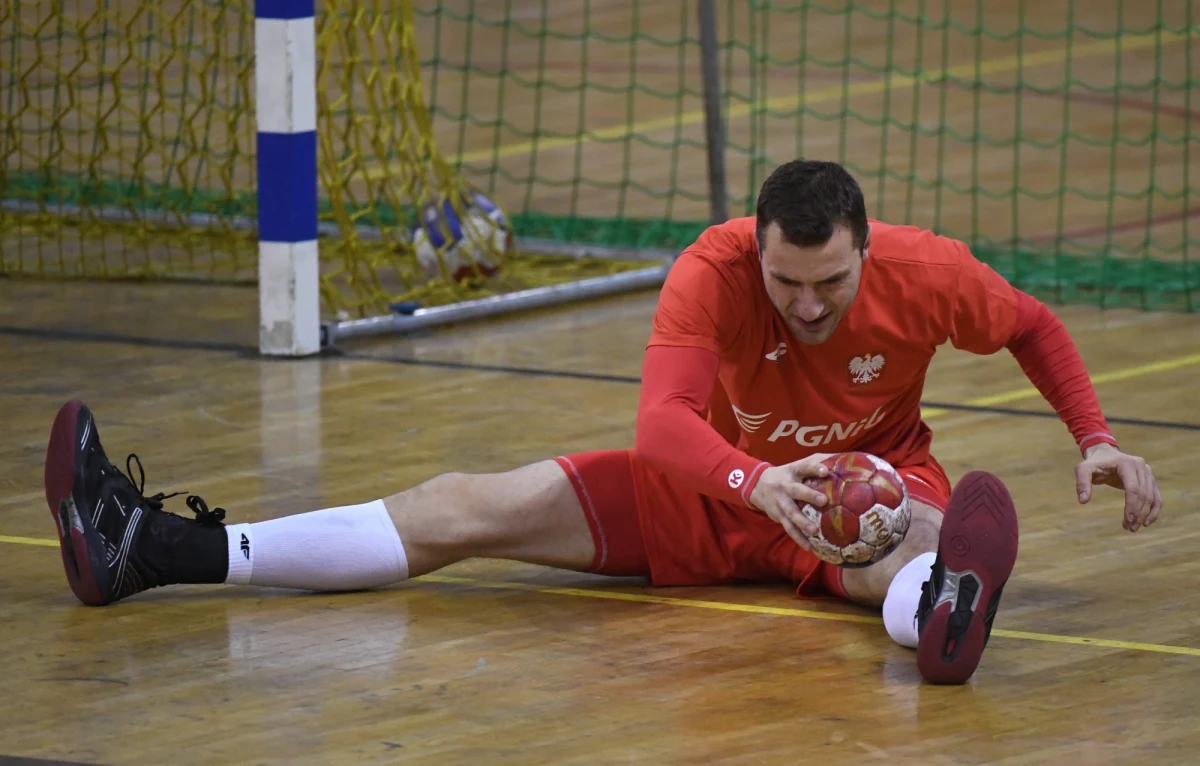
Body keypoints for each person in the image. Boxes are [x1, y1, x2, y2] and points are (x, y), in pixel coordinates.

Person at [42, 159, 1163, 685]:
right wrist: (748, 481)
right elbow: (664, 428)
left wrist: (1094, 434)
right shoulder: (711, 272)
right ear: (757, 247)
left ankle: (945, 617)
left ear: (868, 252)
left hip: (857, 486)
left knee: (903, 536)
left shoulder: (930, 274)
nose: (808, 305)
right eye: (788, 284)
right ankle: (154, 549)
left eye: (830, 284)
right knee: (461, 506)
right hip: (711, 489)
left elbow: (1034, 324)